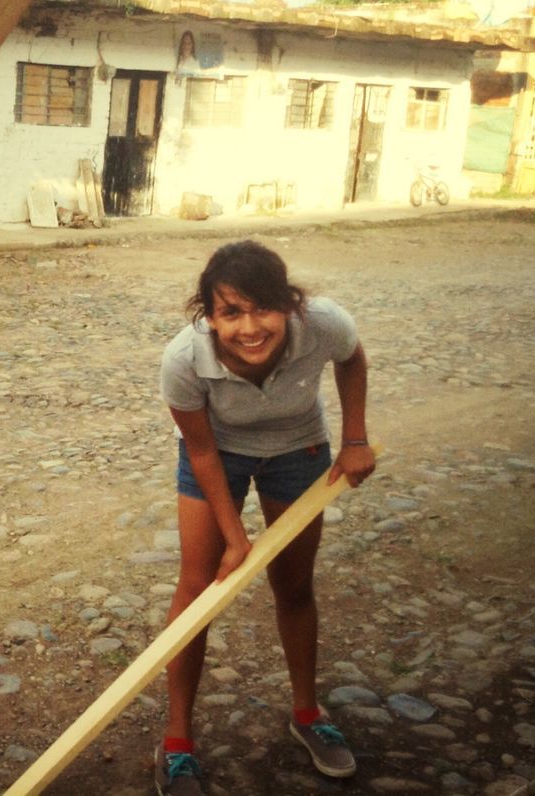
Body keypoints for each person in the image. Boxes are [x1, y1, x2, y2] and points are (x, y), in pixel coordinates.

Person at [153, 239, 375, 796]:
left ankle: (307, 714)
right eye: (231, 312)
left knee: (294, 585)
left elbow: (352, 360)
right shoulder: (183, 361)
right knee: (197, 588)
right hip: (217, 454)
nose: (250, 328)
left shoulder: (324, 325)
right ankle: (177, 742)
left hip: (298, 451)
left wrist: (354, 438)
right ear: (209, 316)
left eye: (263, 308)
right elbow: (201, 452)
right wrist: (236, 538)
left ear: (291, 306)